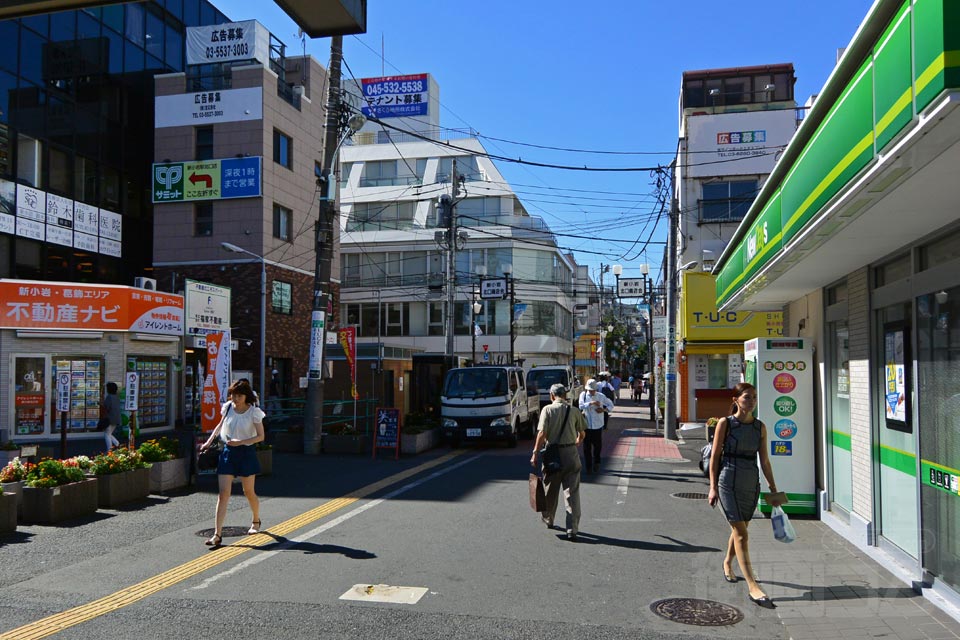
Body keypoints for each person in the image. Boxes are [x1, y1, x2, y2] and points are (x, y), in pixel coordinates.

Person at [707, 382, 782, 609]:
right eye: (747, 397)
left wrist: (773, 487)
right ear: (736, 400)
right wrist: (712, 487)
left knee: (740, 530)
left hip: (750, 481)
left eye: (754, 397)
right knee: (741, 533)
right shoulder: (725, 423)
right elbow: (715, 457)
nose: (751, 402)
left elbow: (765, 461)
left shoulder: (760, 427)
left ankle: (727, 562)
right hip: (728, 480)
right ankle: (752, 585)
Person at [199, 379, 265, 548]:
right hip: (228, 452)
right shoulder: (228, 407)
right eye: (233, 395)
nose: (235, 399)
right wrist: (208, 442)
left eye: (239, 396)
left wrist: (241, 442)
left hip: (246, 453)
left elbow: (260, 436)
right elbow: (219, 425)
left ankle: (256, 520)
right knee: (223, 494)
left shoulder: (254, 412)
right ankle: (217, 534)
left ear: (246, 396)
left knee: (248, 491)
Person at [530, 383, 586, 541]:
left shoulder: (547, 409)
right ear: (565, 395)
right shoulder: (574, 410)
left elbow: (542, 433)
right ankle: (572, 529)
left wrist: (535, 453)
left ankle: (549, 518)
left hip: (552, 454)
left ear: (551, 395)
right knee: (572, 493)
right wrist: (577, 441)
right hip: (571, 454)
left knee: (550, 490)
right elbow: (582, 433)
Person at [578, 379, 613, 473]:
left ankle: (597, 462)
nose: (591, 392)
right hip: (586, 426)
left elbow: (611, 405)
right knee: (586, 448)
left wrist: (604, 410)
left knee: (597, 447)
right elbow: (580, 406)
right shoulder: (583, 395)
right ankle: (588, 467)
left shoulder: (601, 396)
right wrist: (591, 403)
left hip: (597, 425)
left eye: (593, 390)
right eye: (590, 390)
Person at [102, 382, 121, 450]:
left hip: (110, 418)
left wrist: (101, 404)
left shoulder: (109, 397)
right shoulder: (117, 397)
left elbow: (106, 407)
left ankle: (109, 450)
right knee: (109, 433)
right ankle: (117, 444)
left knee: (107, 434)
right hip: (116, 418)